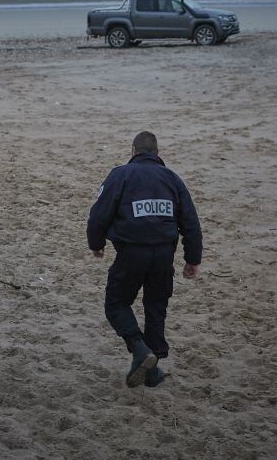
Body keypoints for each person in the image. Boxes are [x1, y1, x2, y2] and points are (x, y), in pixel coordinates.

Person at [87, 131, 202, 388]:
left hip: (132, 252)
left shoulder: (120, 175)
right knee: (156, 306)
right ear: (157, 153)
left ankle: (139, 349)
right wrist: (192, 259)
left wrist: (96, 245)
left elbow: (98, 215)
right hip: (164, 254)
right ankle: (151, 370)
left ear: (133, 151)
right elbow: (191, 222)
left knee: (116, 303)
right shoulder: (172, 178)